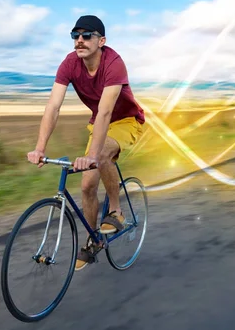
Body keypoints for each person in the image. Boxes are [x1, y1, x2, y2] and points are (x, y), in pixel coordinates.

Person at [27, 15, 146, 271]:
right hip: (98, 123)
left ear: (101, 40)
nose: (79, 40)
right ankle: (93, 240)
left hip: (125, 120)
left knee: (100, 155)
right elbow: (53, 107)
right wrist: (40, 147)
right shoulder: (70, 63)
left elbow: (106, 112)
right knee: (86, 185)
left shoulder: (114, 63)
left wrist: (93, 154)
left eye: (87, 35)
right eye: (75, 35)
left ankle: (116, 211)